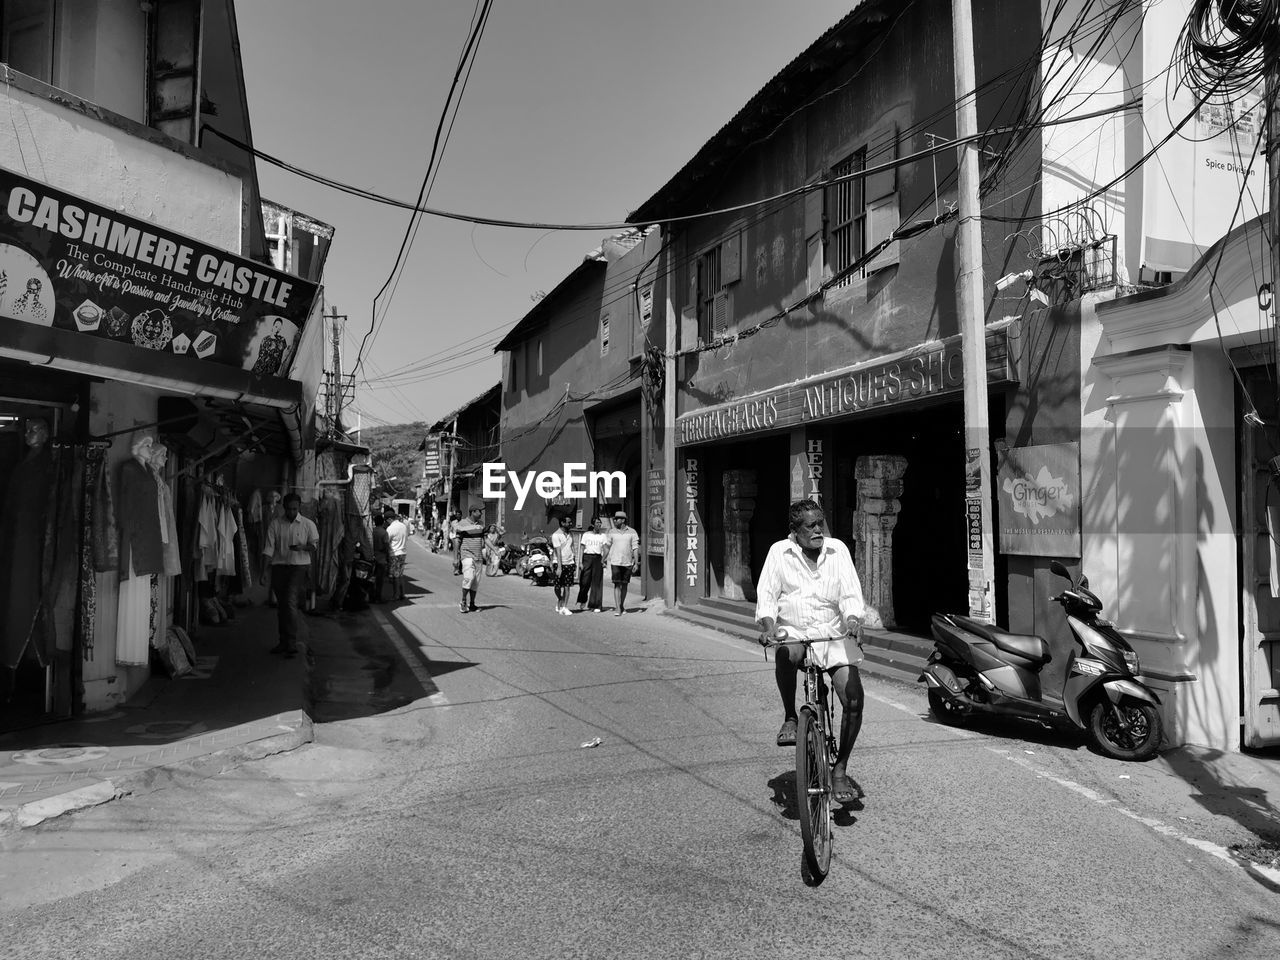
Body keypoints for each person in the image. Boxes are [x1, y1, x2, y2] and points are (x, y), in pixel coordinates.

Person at [755, 499, 866, 805]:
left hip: (832, 632)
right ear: (795, 530)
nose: (819, 530)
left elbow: (850, 594)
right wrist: (769, 627)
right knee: (785, 653)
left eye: (821, 523)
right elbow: (767, 595)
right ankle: (791, 716)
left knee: (853, 697)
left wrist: (854, 620)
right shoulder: (779, 551)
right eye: (811, 525)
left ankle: (840, 768)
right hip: (793, 630)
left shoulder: (837, 550)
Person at [259, 493, 319, 658]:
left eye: (295, 508)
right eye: (289, 509)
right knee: (282, 605)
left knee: (290, 602)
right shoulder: (275, 524)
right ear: (284, 508)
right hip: (279, 567)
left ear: (299, 508)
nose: (292, 512)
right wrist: (264, 571)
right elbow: (268, 549)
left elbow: (314, 546)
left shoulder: (308, 524)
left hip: (299, 567)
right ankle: (283, 641)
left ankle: (291, 642)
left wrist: (302, 548)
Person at [604, 510, 640, 616]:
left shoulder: (632, 532)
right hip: (615, 561)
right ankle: (617, 608)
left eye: (617, 519)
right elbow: (607, 546)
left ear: (623, 520)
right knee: (616, 584)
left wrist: (636, 563)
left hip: (628, 562)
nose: (615, 520)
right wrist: (603, 558)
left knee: (624, 585)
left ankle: (621, 605)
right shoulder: (612, 532)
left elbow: (635, 548)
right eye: (615, 519)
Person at [452, 506, 486, 612]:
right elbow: (457, 541)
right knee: (469, 578)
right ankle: (463, 602)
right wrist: (456, 558)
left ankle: (472, 604)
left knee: (475, 582)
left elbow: (484, 538)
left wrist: (494, 550)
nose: (481, 513)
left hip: (478, 556)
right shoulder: (462, 523)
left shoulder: (481, 524)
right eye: (479, 511)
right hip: (467, 555)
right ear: (472, 512)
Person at [575, 515, 607, 612]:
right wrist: (580, 562)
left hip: (598, 558)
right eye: (597, 522)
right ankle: (582, 600)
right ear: (592, 524)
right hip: (587, 558)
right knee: (584, 581)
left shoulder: (603, 536)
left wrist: (604, 560)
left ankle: (596, 605)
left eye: (600, 522)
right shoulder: (586, 535)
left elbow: (605, 549)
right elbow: (581, 548)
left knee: (597, 583)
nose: (599, 524)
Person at [550, 514, 577, 616]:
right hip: (559, 563)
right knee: (557, 586)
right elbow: (557, 551)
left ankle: (565, 607)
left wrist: (574, 561)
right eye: (569, 522)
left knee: (567, 586)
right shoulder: (556, 535)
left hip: (570, 563)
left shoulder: (570, 534)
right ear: (562, 523)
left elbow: (573, 548)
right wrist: (559, 567)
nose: (570, 524)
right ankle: (560, 599)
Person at [383, 507, 409, 601]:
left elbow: (386, 541)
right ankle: (402, 594)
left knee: (395, 576)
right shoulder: (403, 526)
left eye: (387, 520)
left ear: (389, 519)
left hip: (394, 553)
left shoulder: (390, 528)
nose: (387, 522)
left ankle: (396, 595)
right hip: (403, 553)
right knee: (401, 575)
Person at [371, 514, 391, 603]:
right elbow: (386, 546)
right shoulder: (384, 532)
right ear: (382, 522)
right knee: (380, 579)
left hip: (371, 557)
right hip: (381, 558)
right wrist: (388, 557)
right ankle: (378, 597)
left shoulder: (372, 531)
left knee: (372, 578)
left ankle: (371, 596)